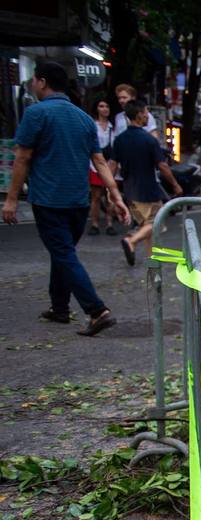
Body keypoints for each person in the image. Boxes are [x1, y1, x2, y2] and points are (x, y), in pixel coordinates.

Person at [3, 62, 130, 336]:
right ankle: (59, 307)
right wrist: (115, 195)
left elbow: (22, 157)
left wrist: (11, 199)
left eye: (35, 80)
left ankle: (97, 310)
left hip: (49, 199)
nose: (34, 85)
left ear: (43, 82)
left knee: (63, 253)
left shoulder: (36, 113)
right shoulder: (84, 118)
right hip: (78, 202)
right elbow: (99, 161)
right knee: (62, 253)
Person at [113, 100, 182, 267]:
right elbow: (162, 165)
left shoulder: (120, 140)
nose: (147, 116)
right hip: (148, 189)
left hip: (129, 190)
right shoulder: (149, 140)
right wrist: (175, 185)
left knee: (146, 224)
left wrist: (111, 188)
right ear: (139, 115)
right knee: (156, 224)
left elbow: (112, 164)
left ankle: (153, 256)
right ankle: (131, 241)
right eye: (145, 113)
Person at [86, 97, 120, 236]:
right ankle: (94, 223)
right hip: (94, 165)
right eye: (101, 106)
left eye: (106, 106)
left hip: (109, 165)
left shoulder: (113, 127)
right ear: (97, 109)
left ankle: (109, 223)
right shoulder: (93, 126)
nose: (104, 109)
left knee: (110, 196)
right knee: (96, 196)